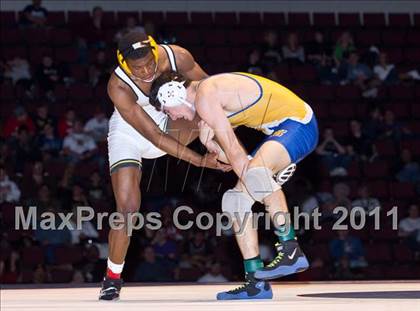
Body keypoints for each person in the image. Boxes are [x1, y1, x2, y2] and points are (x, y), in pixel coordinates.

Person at [149, 70, 319, 300]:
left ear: (173, 93)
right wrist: (214, 148)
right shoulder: (206, 110)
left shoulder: (206, 96)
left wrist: (258, 175)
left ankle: (290, 248)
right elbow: (232, 158)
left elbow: (236, 154)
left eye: (167, 111)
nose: (174, 117)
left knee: (257, 174)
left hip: (299, 123)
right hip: (279, 133)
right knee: (234, 201)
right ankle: (255, 283)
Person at [99, 31, 229, 301]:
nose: (146, 71)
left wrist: (211, 134)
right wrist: (200, 161)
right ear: (123, 64)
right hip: (131, 132)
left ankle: (239, 156)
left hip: (171, 118)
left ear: (156, 50)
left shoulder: (176, 57)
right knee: (127, 209)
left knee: (214, 108)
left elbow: (211, 90)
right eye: (137, 68)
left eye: (149, 62)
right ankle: (112, 278)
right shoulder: (118, 86)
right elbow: (155, 137)